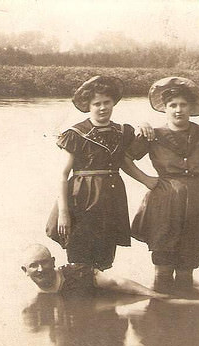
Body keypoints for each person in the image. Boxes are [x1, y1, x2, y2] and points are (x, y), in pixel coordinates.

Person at [122, 77, 199, 290]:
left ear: (191, 107)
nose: (178, 110)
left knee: (188, 265)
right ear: (165, 109)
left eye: (183, 105)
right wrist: (145, 179)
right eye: (173, 105)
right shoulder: (153, 135)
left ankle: (186, 317)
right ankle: (161, 314)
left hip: (197, 203)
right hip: (164, 202)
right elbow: (124, 157)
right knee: (163, 265)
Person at [45, 75, 151, 273]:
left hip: (111, 201)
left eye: (107, 102)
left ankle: (100, 301)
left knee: (103, 260)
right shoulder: (76, 133)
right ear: (88, 105)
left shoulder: (122, 131)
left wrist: (144, 125)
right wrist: (63, 213)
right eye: (97, 104)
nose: (103, 108)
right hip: (81, 200)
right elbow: (62, 174)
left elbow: (131, 157)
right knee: (79, 260)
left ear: (113, 103)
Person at [20, 243, 167, 298]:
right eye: (34, 265)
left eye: (44, 263)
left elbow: (116, 283)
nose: (40, 269)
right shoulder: (30, 296)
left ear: (53, 262)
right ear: (25, 270)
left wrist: (155, 295)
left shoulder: (77, 273)